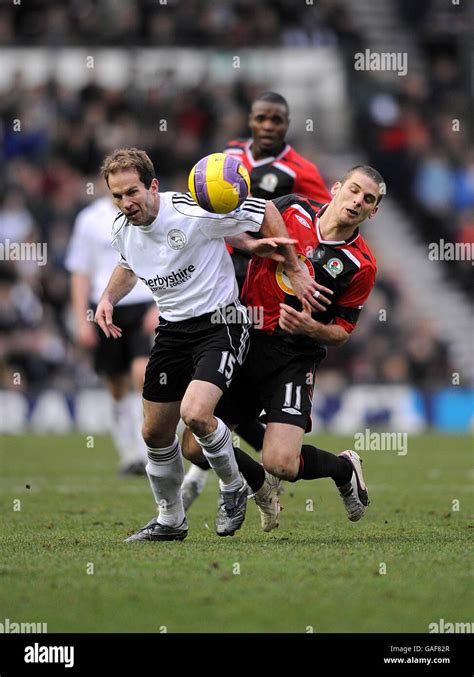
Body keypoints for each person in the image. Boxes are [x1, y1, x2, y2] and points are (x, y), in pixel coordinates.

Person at [94, 147, 327, 542]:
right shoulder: (122, 229)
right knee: (153, 433)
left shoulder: (190, 208)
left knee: (197, 414)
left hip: (221, 323)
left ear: (153, 186)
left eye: (132, 192)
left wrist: (292, 265)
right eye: (117, 196)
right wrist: (106, 299)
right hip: (171, 331)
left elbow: (263, 210)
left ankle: (234, 486)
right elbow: (129, 265)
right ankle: (170, 520)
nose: (126, 203)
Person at [182, 165, 384, 532]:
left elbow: (342, 331)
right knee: (194, 447)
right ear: (336, 187)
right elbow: (236, 228)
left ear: (374, 211)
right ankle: (257, 484)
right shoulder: (290, 210)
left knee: (283, 464)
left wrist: (311, 326)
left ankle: (343, 468)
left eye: (368, 199)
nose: (357, 201)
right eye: (353, 190)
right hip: (244, 340)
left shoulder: (361, 265)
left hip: (294, 357)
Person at [181, 91, 332, 507]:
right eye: (261, 118)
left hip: (264, 284)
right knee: (216, 374)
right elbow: (197, 209)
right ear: (249, 120)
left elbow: (325, 223)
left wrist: (297, 266)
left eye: (276, 120)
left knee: (238, 375)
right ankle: (237, 468)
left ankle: (237, 468)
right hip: (219, 276)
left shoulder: (301, 170)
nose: (268, 126)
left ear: (286, 124)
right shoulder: (226, 160)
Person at [66, 192, 157, 476]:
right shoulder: (90, 219)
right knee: (116, 384)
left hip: (144, 302)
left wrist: (159, 305)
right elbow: (80, 272)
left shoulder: (151, 212)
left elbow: (165, 259)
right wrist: (83, 320)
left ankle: (149, 452)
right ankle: (128, 453)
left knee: (143, 374)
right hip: (106, 305)